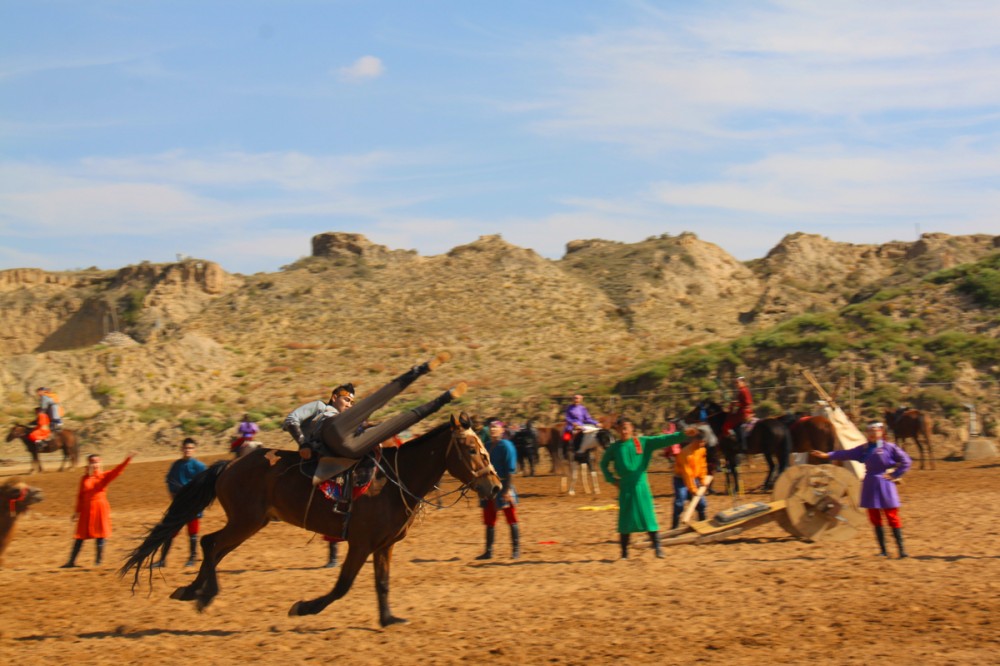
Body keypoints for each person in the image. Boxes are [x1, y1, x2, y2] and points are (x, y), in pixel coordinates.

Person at [283, 352, 465, 484]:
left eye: (352, 402)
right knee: (375, 402)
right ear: (334, 397)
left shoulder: (350, 416)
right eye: (346, 399)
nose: (348, 404)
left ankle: (444, 399)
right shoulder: (321, 407)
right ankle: (419, 370)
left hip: (350, 449)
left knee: (395, 425)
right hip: (328, 435)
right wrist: (303, 443)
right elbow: (292, 419)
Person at [812, 421, 912, 558]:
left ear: (881, 432)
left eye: (875, 430)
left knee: (892, 516)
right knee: (875, 518)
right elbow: (845, 454)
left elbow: (906, 461)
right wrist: (827, 455)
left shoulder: (890, 447)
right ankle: (883, 550)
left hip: (886, 484)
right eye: (869, 431)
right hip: (870, 484)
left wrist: (895, 474)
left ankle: (901, 550)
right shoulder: (864, 449)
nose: (872, 433)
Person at [600, 417, 687, 559]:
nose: (624, 431)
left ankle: (658, 548)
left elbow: (664, 440)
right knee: (625, 520)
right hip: (625, 487)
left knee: (648, 517)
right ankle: (624, 553)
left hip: (641, 486)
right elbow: (603, 465)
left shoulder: (643, 442)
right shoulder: (614, 448)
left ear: (632, 428)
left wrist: (684, 435)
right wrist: (612, 480)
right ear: (617, 430)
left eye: (626, 428)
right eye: (621, 428)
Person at [61, 451, 136, 568]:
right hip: (86, 509)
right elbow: (80, 496)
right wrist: (76, 512)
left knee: (100, 535)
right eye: (93, 462)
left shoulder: (103, 477)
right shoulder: (84, 478)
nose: (95, 464)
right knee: (79, 535)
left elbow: (117, 471)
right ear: (89, 464)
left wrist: (127, 459)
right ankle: (71, 561)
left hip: (100, 508)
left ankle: (98, 561)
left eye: (97, 462)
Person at [154, 438, 207, 568]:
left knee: (193, 533)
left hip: (193, 504)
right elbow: (170, 481)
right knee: (170, 532)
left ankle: (192, 558)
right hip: (179, 504)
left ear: (194, 450)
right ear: (182, 449)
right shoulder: (176, 465)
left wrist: (198, 500)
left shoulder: (199, 466)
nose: (187, 450)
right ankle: (162, 560)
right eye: (185, 448)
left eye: (190, 448)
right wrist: (173, 496)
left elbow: (206, 484)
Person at [475, 420, 519, 560]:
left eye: (496, 427)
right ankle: (488, 551)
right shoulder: (486, 446)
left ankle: (515, 550)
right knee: (489, 520)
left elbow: (510, 470)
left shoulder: (506, 446)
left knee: (511, 518)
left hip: (504, 485)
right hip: (488, 486)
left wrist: (506, 491)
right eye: (491, 427)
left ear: (502, 430)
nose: (493, 430)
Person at [671, 426, 710, 529]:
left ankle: (703, 523)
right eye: (700, 442)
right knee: (680, 502)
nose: (702, 444)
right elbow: (686, 473)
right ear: (694, 440)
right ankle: (674, 526)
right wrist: (693, 489)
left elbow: (702, 465)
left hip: (694, 478)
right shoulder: (685, 453)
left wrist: (703, 479)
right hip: (681, 479)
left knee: (701, 503)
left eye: (703, 442)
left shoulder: (702, 450)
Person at [723, 376, 754, 454]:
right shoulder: (741, 391)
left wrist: (737, 404)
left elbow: (747, 403)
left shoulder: (744, 391)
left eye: (737, 382)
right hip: (741, 411)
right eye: (735, 383)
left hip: (744, 412)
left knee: (736, 425)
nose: (736, 384)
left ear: (743, 382)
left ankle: (743, 446)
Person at [563, 394, 599, 458]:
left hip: (581, 426)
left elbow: (588, 419)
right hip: (571, 426)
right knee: (566, 436)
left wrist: (596, 423)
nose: (576, 400)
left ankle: (588, 451)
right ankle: (567, 450)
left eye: (577, 398)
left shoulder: (583, 409)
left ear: (581, 400)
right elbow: (567, 418)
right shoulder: (569, 407)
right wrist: (572, 422)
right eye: (575, 398)